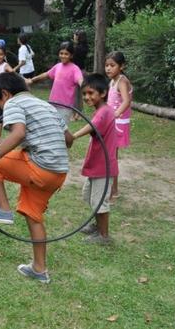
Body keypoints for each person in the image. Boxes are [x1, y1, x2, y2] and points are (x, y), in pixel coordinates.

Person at [0, 72, 73, 283]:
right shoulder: (46, 106)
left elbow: (17, 134)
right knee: (32, 213)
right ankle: (39, 269)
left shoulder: (13, 103)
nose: (1, 109)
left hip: (40, 167)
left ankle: (2, 209)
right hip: (58, 173)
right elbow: (69, 139)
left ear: (5, 94)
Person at [72, 73, 119, 244]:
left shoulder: (104, 112)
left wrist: (73, 136)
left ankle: (104, 236)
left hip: (103, 167)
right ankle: (97, 225)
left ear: (103, 93)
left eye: (91, 93)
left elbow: (92, 126)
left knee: (99, 201)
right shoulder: (101, 111)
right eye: (84, 94)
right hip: (98, 164)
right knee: (89, 196)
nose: (86, 97)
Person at [27, 41, 83, 125]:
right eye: (61, 53)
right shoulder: (57, 66)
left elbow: (80, 80)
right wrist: (32, 80)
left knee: (61, 129)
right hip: (52, 104)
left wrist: (87, 88)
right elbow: (46, 75)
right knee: (51, 126)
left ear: (71, 55)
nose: (63, 56)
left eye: (66, 54)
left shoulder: (75, 69)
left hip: (65, 107)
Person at [105, 51, 133, 201]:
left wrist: (115, 114)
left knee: (111, 157)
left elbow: (126, 101)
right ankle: (112, 188)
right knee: (110, 156)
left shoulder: (122, 81)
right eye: (107, 65)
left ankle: (113, 191)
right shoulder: (112, 81)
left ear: (121, 66)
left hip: (118, 124)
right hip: (112, 122)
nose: (108, 68)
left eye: (112, 65)